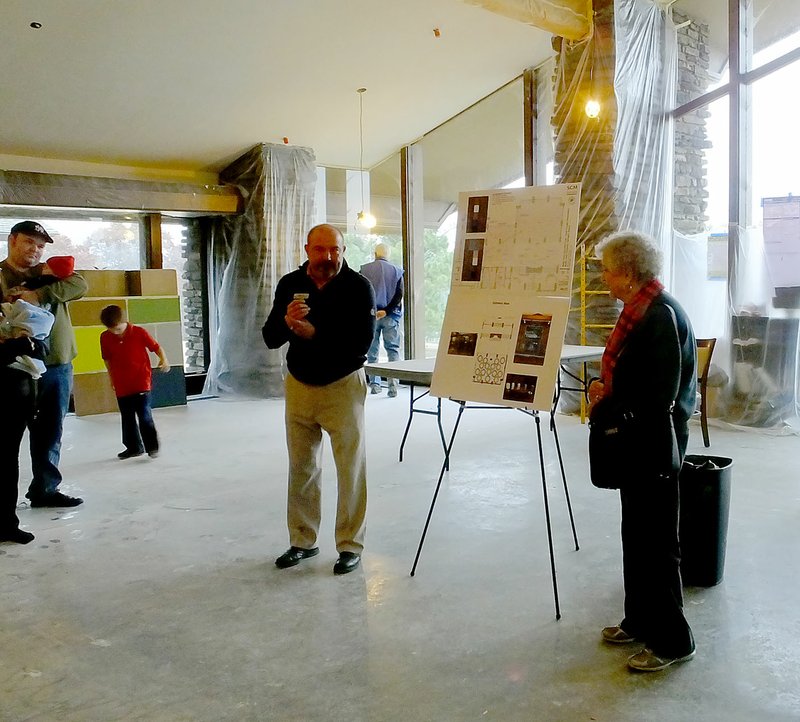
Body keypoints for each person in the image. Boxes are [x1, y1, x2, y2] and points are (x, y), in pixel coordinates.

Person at [588, 230, 697, 673]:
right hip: (637, 444)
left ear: (629, 273)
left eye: (609, 271)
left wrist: (608, 400)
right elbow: (633, 380)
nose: (605, 279)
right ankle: (638, 620)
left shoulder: (660, 315)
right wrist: (605, 388)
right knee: (635, 535)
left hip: (654, 446)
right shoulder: (639, 309)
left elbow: (659, 396)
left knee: (657, 544)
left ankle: (673, 640)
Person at [262, 223, 375, 575]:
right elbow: (269, 338)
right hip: (299, 386)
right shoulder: (289, 284)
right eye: (320, 249)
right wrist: (286, 321)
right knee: (301, 467)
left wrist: (315, 334)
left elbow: (361, 345)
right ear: (307, 249)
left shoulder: (358, 287)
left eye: (335, 250)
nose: (328, 256)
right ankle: (302, 541)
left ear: (343, 250)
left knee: (350, 468)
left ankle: (350, 545)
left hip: (343, 387)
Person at [0, 222, 87, 508]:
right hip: (15, 368)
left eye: (40, 246)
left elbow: (81, 284)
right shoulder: (1, 275)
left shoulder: (50, 274)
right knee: (9, 437)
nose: (35, 251)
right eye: (28, 242)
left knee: (51, 430)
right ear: (12, 240)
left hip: (57, 364)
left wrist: (39, 294)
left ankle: (45, 489)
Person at [0, 315, 49, 543]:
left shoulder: (12, 316)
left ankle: (7, 524)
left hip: (16, 404)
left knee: (8, 464)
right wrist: (17, 346)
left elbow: (41, 348)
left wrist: (30, 343)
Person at [100, 304, 170, 459]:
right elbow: (107, 359)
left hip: (141, 381)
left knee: (144, 415)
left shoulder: (139, 332)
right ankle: (133, 447)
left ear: (124, 322)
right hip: (121, 383)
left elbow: (156, 347)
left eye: (118, 329)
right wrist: (111, 378)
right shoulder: (105, 337)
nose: (115, 333)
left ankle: (152, 447)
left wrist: (164, 360)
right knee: (127, 417)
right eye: (112, 330)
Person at [359, 243, 404, 397]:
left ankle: (375, 384)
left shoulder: (364, 270)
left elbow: (362, 294)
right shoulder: (397, 271)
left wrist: (374, 311)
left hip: (372, 316)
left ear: (374, 253)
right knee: (392, 350)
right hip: (391, 316)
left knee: (372, 352)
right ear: (388, 254)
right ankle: (393, 386)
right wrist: (387, 310)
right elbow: (399, 295)